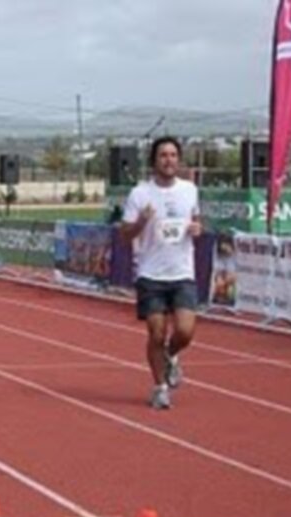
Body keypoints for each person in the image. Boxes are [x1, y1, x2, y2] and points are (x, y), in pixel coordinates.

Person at [120, 136, 203, 410]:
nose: (169, 160)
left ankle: (170, 355)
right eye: (163, 155)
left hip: (182, 272)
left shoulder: (189, 190)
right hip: (151, 274)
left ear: (179, 160)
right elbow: (124, 235)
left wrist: (197, 229)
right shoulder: (140, 194)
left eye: (173, 155)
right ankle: (160, 388)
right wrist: (141, 221)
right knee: (156, 333)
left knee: (185, 331)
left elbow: (196, 221)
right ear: (154, 161)